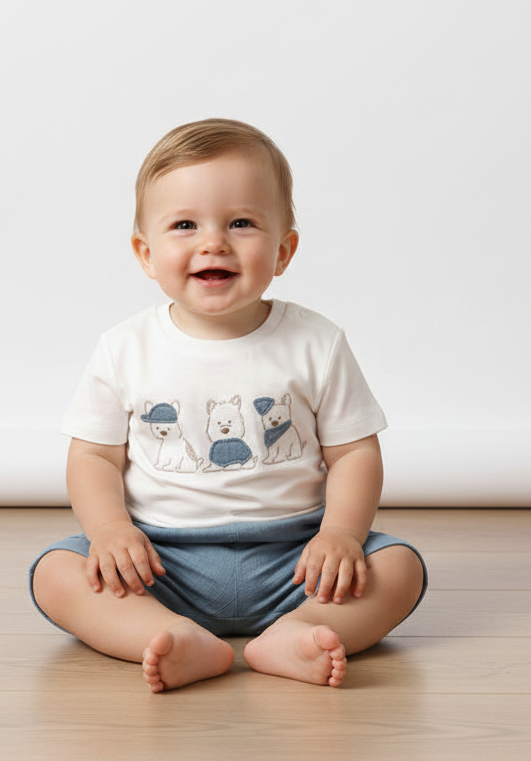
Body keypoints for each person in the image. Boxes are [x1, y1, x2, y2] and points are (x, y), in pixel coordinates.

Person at [30, 118, 427, 692]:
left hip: (297, 557)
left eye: (241, 223)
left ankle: (301, 630)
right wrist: (113, 529)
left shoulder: (316, 342)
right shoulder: (124, 348)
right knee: (56, 572)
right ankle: (164, 634)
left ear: (283, 250)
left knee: (399, 567)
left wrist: (340, 533)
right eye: (184, 224)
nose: (213, 242)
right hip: (161, 559)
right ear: (146, 252)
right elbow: (92, 456)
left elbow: (354, 452)